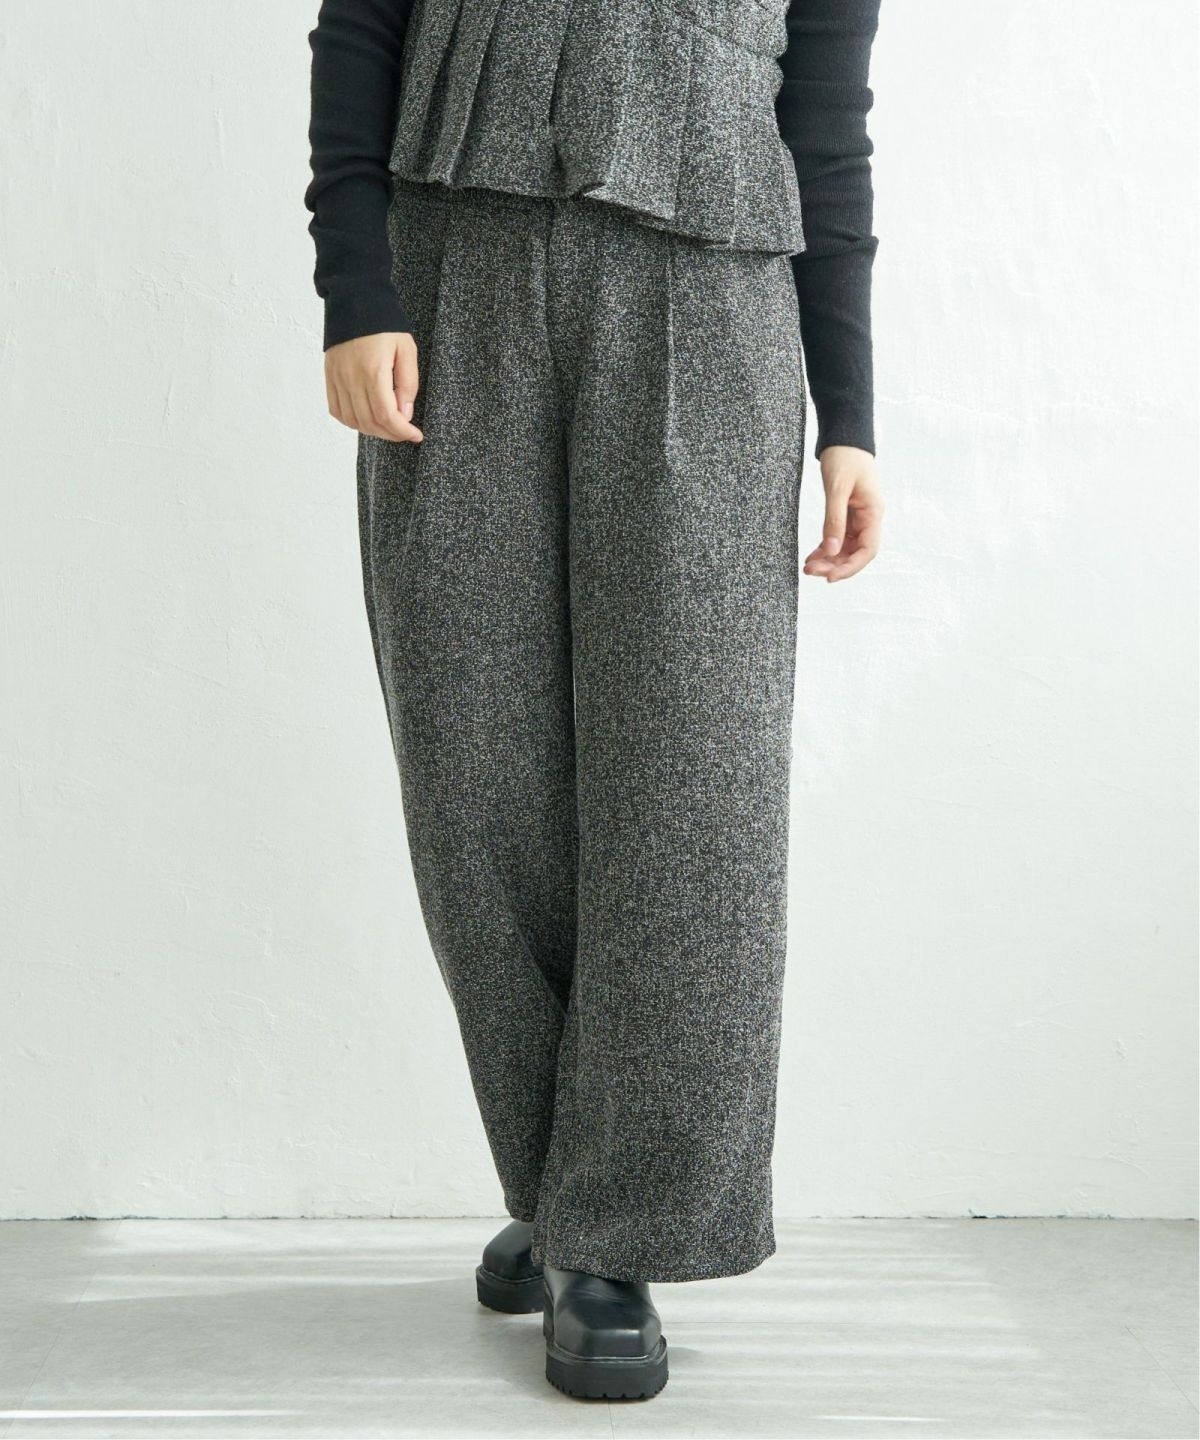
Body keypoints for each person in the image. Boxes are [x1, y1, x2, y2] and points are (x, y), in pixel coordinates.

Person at [304, 0, 883, 1401]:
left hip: (714, 309)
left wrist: (852, 418)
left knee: (691, 781)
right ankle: (567, 1182)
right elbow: (359, 34)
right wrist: (357, 292)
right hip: (454, 294)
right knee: (476, 768)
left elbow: (826, 126)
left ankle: (616, 1230)